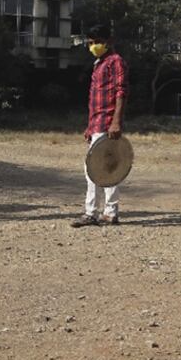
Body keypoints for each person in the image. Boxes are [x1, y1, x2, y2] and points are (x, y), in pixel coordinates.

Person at [71, 24, 128, 227]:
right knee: (98, 168)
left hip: (107, 123)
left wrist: (116, 121)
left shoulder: (116, 62)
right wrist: (89, 126)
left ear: (108, 41)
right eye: (91, 43)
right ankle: (107, 212)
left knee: (101, 169)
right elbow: (94, 100)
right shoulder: (99, 63)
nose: (93, 46)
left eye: (97, 42)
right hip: (97, 123)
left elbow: (121, 92)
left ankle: (94, 212)